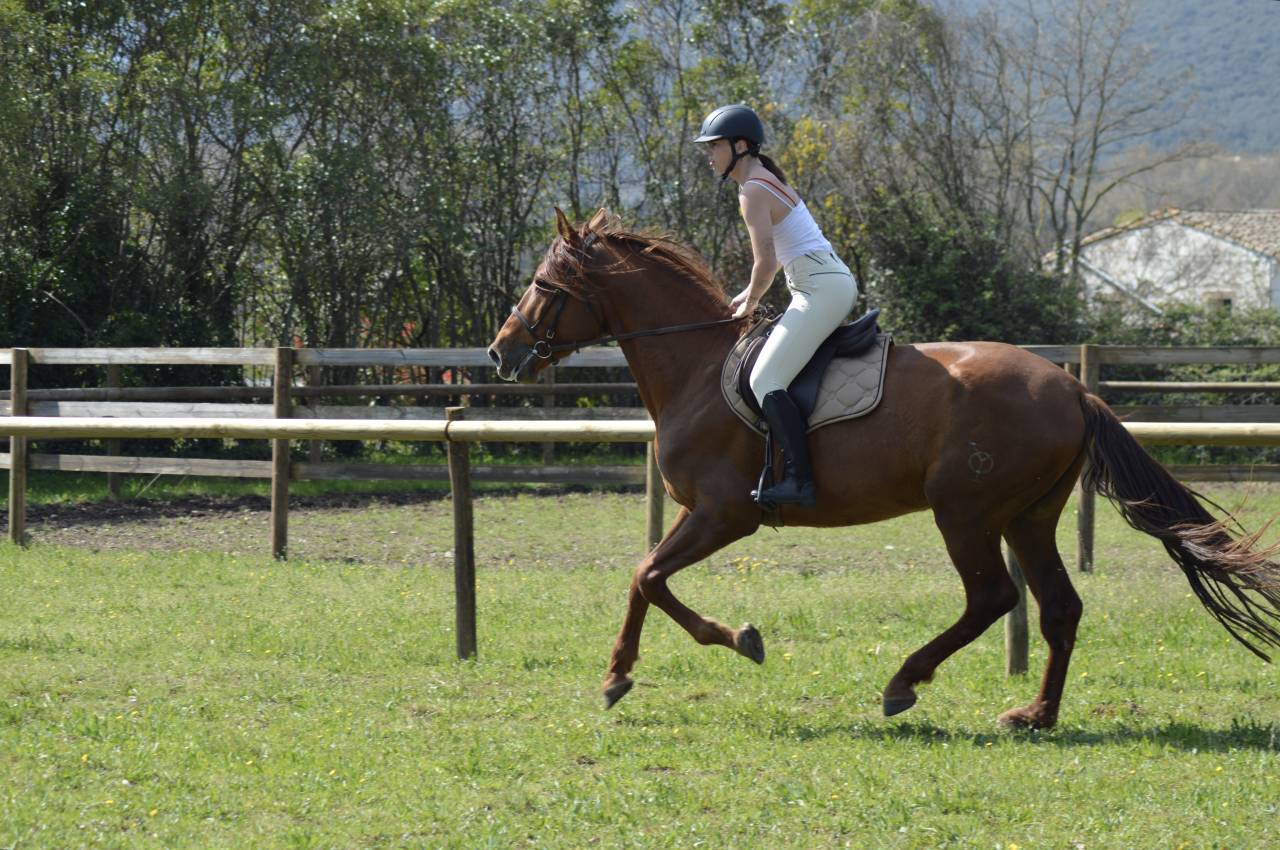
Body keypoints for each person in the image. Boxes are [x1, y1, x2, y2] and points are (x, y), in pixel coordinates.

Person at [695, 104, 858, 508]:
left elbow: (766, 263)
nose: (708, 154)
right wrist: (747, 293)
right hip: (821, 284)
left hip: (820, 289)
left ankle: (801, 482)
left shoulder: (752, 190)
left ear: (740, 145)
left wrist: (751, 300)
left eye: (714, 146)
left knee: (765, 379)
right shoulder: (762, 181)